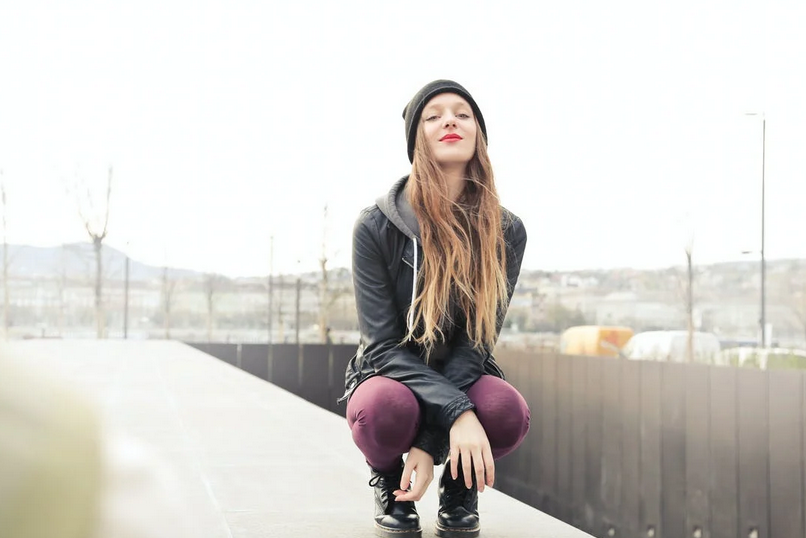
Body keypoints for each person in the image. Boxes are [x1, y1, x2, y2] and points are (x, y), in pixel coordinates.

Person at [339, 80, 530, 538]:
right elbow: (382, 347)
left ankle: (460, 488)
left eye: (463, 114)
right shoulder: (375, 226)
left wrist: (429, 443)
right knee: (382, 409)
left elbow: (477, 343)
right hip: (392, 374)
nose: (450, 120)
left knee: (506, 411)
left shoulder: (506, 231)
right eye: (434, 115)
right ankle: (389, 482)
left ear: (478, 136)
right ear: (417, 139)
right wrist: (459, 414)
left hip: (460, 369)